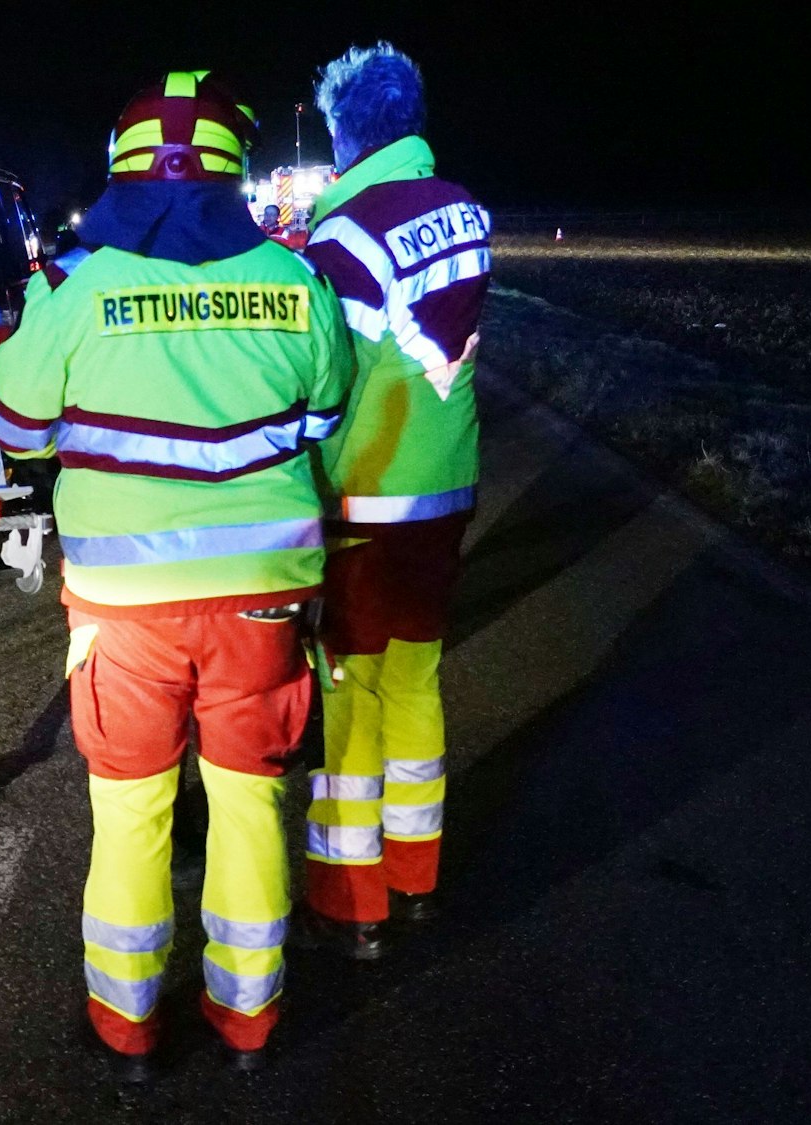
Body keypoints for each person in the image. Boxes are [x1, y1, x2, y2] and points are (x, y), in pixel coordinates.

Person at [0, 69, 353, 1076]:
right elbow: (324, 417)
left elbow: (14, 428)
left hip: (126, 613)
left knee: (130, 812)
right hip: (262, 604)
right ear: (233, 176)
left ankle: (127, 1029)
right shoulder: (296, 285)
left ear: (125, 173)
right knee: (249, 805)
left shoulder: (75, 289)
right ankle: (248, 1020)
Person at [297, 42, 492, 959]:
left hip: (365, 494)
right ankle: (416, 873)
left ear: (345, 134)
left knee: (350, 688)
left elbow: (324, 376)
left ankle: (351, 897)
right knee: (418, 676)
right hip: (446, 484)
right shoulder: (466, 212)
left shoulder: (344, 235)